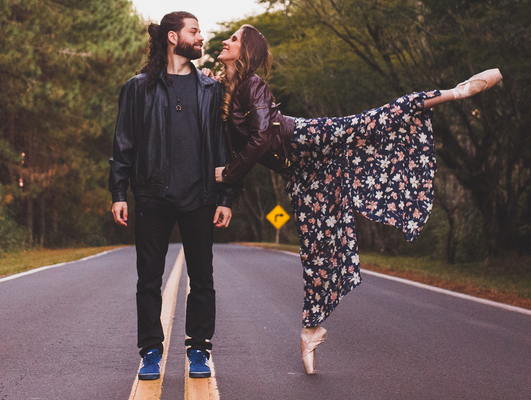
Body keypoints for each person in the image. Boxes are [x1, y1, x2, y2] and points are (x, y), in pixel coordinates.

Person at [214, 24, 500, 374]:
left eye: (234, 39)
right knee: (317, 245)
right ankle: (311, 328)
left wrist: (229, 174)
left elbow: (259, 139)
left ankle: (452, 94)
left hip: (305, 139)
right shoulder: (226, 87)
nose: (225, 41)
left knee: (366, 123)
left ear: (245, 52)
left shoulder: (251, 84)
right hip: (302, 171)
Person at [110, 11, 235, 382]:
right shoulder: (137, 88)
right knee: (148, 279)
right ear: (171, 37)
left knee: (203, 276)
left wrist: (226, 197)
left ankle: (199, 349)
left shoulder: (211, 89)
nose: (201, 37)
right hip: (152, 195)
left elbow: (223, 148)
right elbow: (123, 144)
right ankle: (150, 352)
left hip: (200, 196)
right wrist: (119, 192)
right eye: (194, 31)